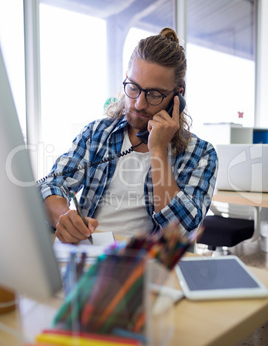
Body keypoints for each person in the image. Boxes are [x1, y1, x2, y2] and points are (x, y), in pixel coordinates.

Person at [39, 27, 218, 244]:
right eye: (133, 87)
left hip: (148, 265)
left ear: (177, 98)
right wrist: (63, 217)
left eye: (154, 94)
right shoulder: (96, 133)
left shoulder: (201, 154)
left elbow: (181, 232)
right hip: (88, 253)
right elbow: (52, 184)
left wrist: (159, 151)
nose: (139, 103)